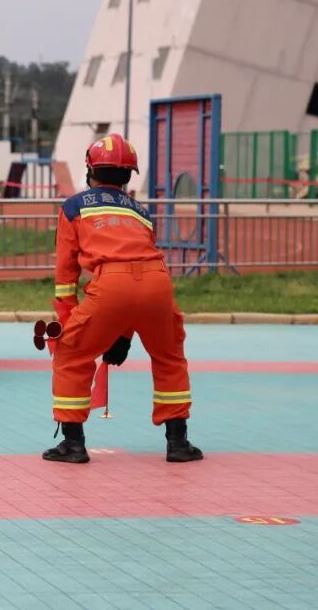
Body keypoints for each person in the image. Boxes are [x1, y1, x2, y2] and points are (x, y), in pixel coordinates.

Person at [43, 134, 203, 464]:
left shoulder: (74, 207)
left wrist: (68, 325)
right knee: (169, 358)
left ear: (90, 170)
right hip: (158, 283)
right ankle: (178, 442)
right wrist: (124, 335)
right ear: (129, 175)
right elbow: (137, 280)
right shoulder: (141, 211)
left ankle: (72, 443)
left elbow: (66, 273)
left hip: (110, 284)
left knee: (71, 356)